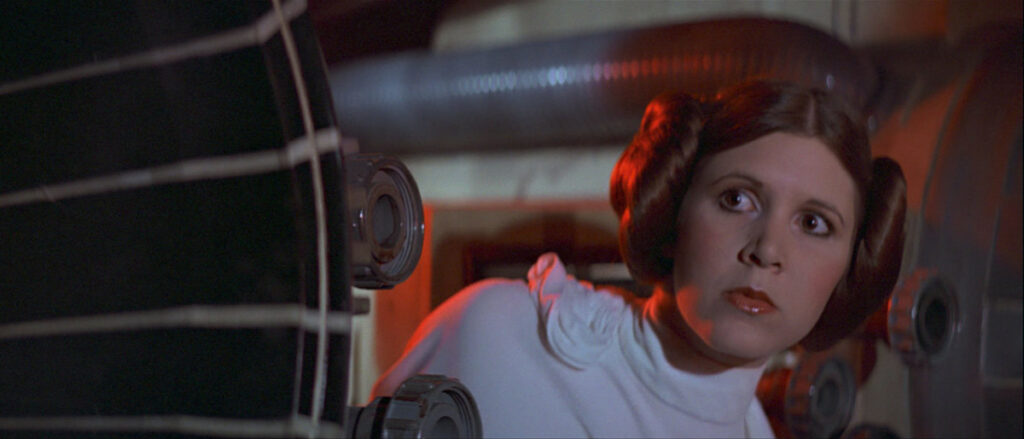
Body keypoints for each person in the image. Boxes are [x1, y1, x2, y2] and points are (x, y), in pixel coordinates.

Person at [370, 80, 907, 438]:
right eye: (736, 199)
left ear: (848, 269)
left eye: (814, 224)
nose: (766, 250)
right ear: (675, 210)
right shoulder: (500, 333)